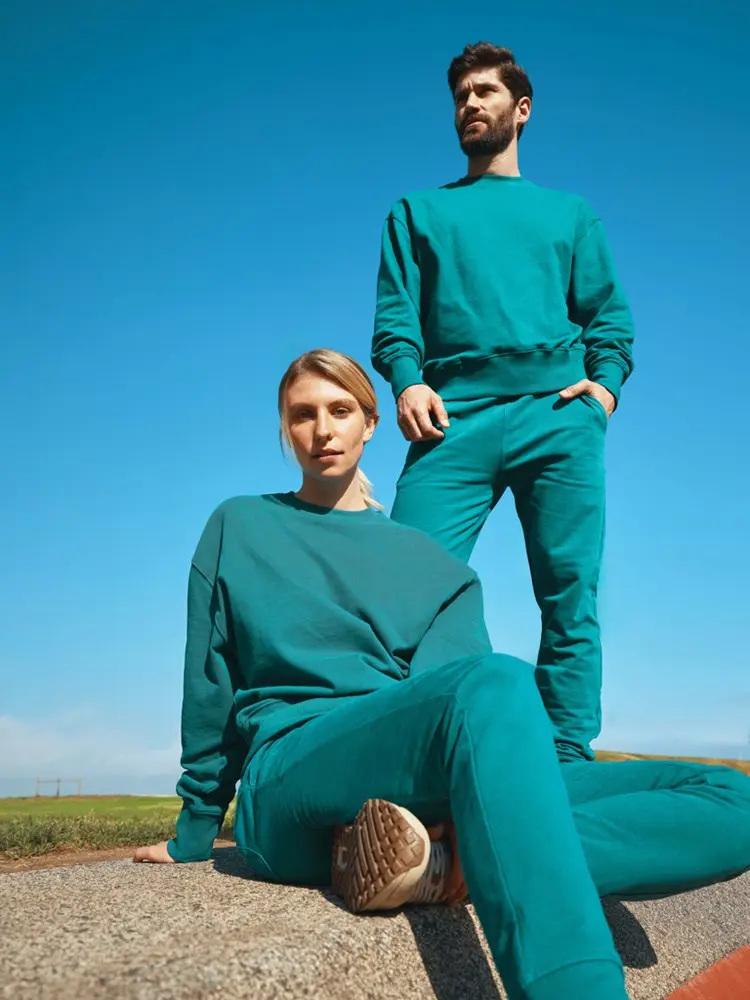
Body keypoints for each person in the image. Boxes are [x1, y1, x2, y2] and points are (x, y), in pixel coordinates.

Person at [135, 350, 750, 1000]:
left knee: (730, 798)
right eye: (302, 415)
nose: (322, 430)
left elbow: (462, 725)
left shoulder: (435, 568)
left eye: (340, 410)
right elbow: (210, 684)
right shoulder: (241, 526)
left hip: (404, 790)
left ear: (370, 422)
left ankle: (459, 859)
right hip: (290, 779)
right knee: (498, 682)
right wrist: (196, 828)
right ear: (285, 428)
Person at [372, 42, 635, 765]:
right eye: (460, 95)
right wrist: (407, 380)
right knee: (403, 588)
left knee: (569, 593)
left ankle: (566, 762)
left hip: (557, 417)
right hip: (450, 420)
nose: (469, 104)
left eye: (484, 92)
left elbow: (608, 317)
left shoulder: (570, 214)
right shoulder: (416, 212)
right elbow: (396, 318)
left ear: (521, 109)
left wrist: (603, 391)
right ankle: (417, 757)